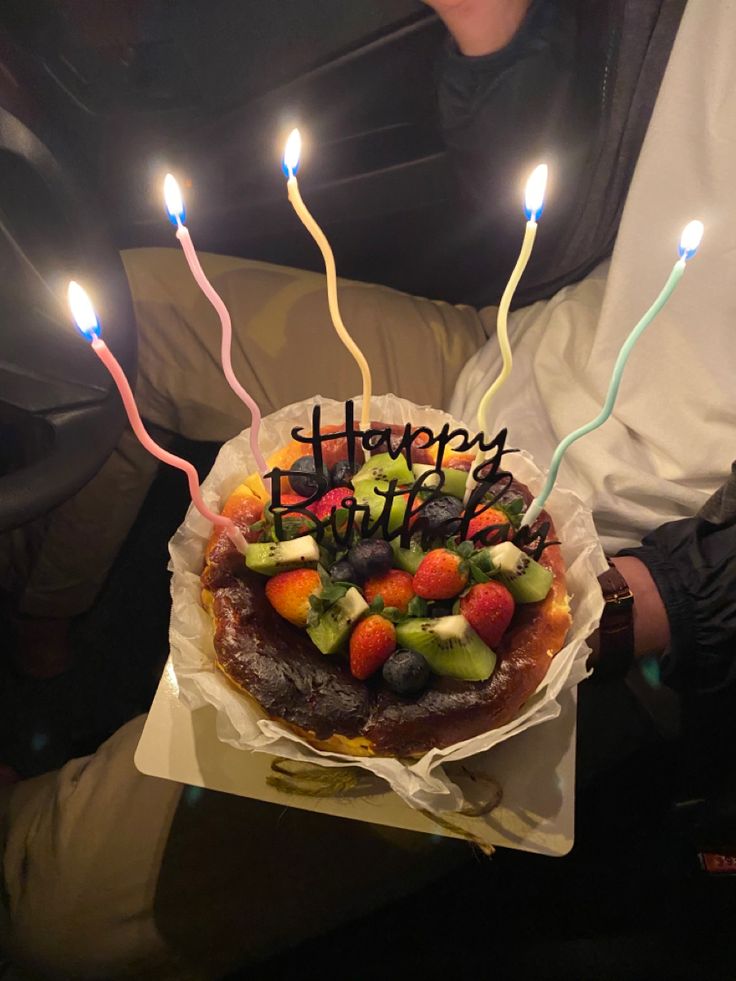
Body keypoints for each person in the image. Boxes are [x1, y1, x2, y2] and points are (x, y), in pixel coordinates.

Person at [2, 0, 735, 976]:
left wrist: (624, 609)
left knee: (61, 914)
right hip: (517, 353)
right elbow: (566, 197)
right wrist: (495, 39)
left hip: (623, 557)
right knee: (111, 316)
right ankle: (43, 631)